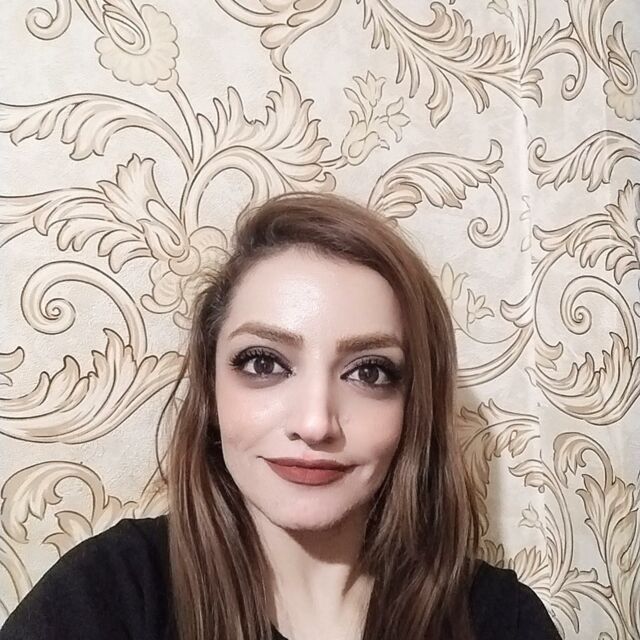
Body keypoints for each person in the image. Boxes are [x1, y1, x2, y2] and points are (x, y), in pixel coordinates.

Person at [0, 192, 561, 640]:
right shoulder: (110, 595)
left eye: (369, 372)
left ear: (414, 405)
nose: (315, 424)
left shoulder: (498, 618)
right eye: (264, 363)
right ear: (210, 389)